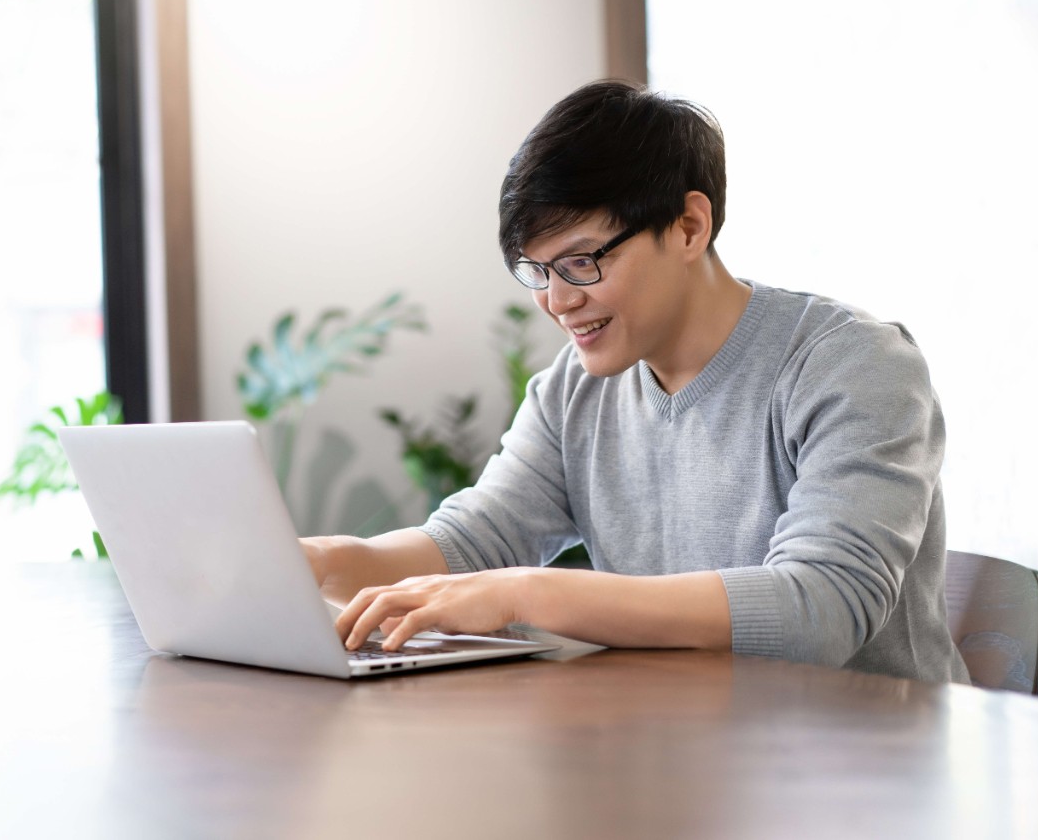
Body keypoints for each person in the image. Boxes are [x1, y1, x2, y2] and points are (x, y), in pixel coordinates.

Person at [301, 79, 969, 684]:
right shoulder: (577, 389)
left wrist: (528, 593)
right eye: (538, 271)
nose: (559, 301)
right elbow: (478, 538)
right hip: (688, 756)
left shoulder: (852, 366)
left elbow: (820, 610)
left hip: (870, 776)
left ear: (688, 226)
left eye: (583, 262)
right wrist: (327, 562)